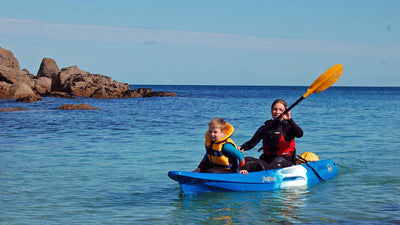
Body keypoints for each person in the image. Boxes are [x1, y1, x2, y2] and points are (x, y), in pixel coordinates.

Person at [239, 99, 303, 170]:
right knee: (246, 160)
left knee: (278, 160)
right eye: (275, 109)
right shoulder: (265, 128)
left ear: (285, 111)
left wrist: (289, 119)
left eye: (280, 109)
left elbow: (300, 134)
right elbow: (253, 142)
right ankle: (237, 176)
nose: (277, 112)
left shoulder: (288, 127)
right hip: (268, 163)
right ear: (271, 111)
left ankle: (266, 177)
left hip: (287, 164)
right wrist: (242, 148)